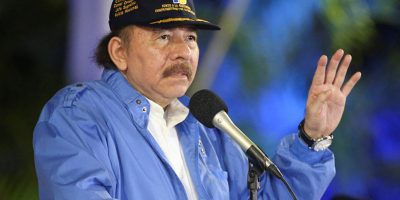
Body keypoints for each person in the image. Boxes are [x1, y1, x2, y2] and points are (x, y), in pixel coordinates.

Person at [33, 0, 362, 199]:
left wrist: (312, 136)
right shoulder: (79, 116)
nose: (182, 52)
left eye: (190, 38)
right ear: (120, 52)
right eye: (163, 37)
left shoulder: (206, 125)